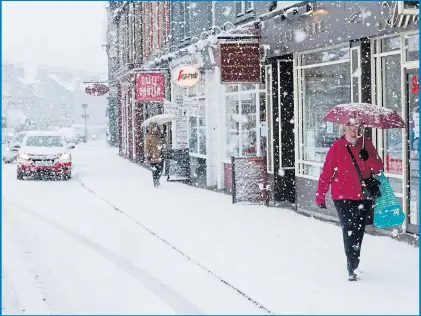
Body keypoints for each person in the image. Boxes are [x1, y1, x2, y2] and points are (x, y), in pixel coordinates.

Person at [316, 120, 383, 281]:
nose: (354, 132)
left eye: (356, 129)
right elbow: (326, 172)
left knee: (359, 230)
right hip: (342, 196)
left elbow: (378, 167)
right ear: (344, 130)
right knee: (349, 228)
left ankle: (354, 261)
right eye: (351, 129)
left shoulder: (366, 144)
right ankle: (351, 265)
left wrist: (367, 159)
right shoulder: (336, 147)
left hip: (363, 195)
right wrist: (320, 194)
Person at [145, 122, 166, 188]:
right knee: (155, 169)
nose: (155, 129)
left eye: (156, 127)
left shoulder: (159, 135)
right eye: (154, 127)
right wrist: (148, 155)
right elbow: (147, 147)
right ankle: (155, 181)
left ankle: (157, 179)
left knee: (160, 169)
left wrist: (163, 137)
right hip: (152, 155)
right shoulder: (148, 137)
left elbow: (164, 143)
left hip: (160, 155)